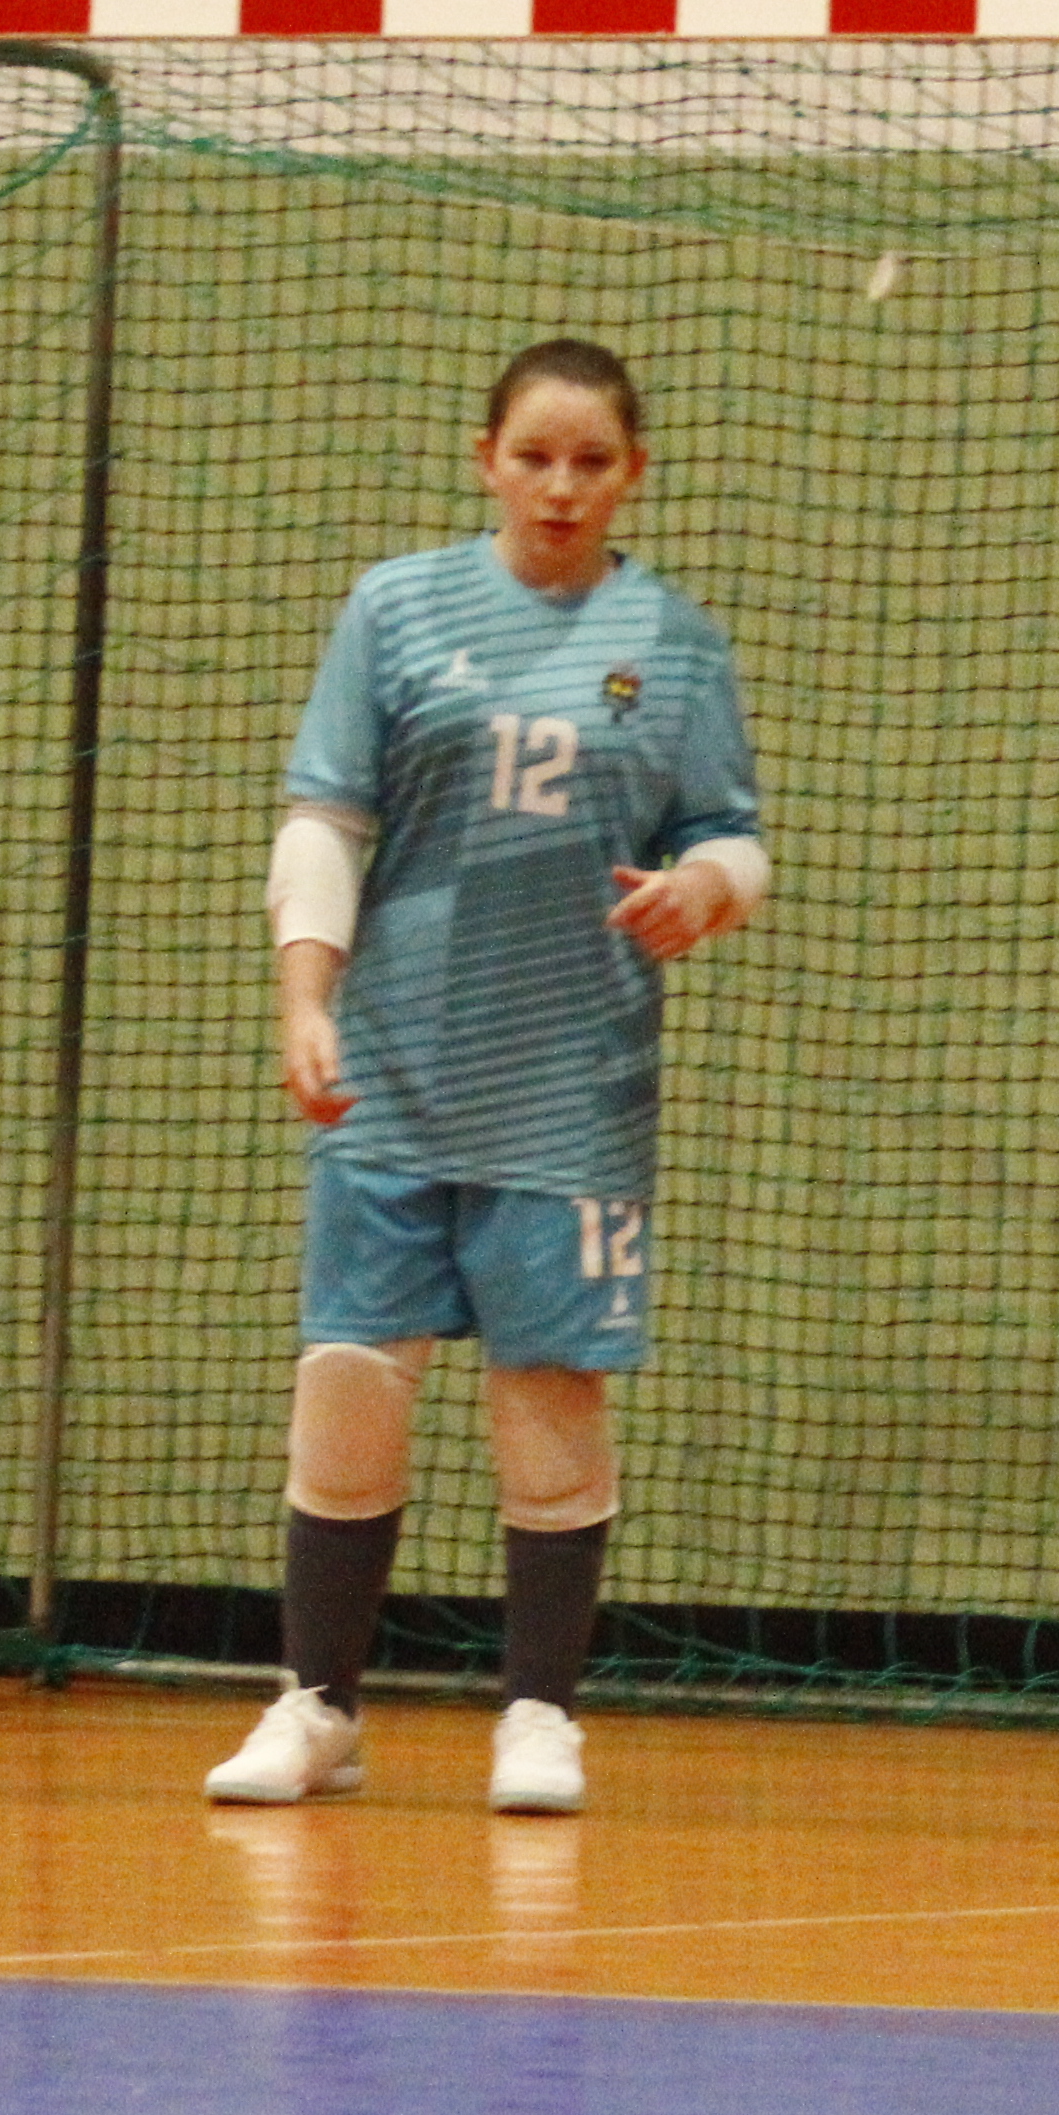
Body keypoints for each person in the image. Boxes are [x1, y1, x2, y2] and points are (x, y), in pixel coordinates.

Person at [202, 337, 770, 1818]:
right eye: (536, 456)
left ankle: (539, 1714)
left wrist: (708, 887)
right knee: (349, 1379)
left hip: (570, 1073)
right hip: (396, 1054)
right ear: (487, 459)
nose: (563, 486)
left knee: (548, 1391)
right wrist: (305, 995)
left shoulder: (679, 641)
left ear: (632, 472)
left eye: (593, 461)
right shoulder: (398, 607)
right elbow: (324, 817)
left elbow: (733, 831)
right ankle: (319, 1703)